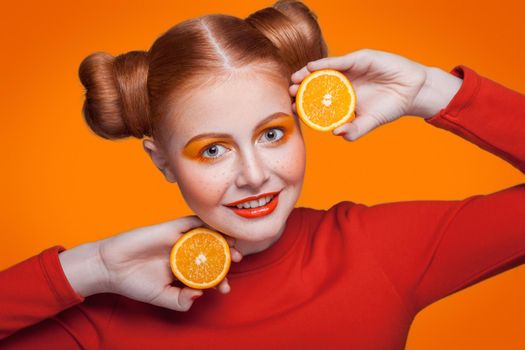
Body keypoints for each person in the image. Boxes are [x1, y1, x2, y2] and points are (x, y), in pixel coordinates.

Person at [1, 0, 524, 348]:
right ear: (161, 160)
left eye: (272, 134)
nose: (254, 176)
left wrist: (432, 92)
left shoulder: (377, 249)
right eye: (212, 150)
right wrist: (86, 267)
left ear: (302, 125)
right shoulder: (113, 306)